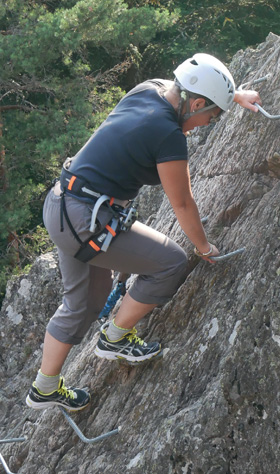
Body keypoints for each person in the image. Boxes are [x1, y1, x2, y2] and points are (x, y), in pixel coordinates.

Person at [26, 53, 261, 411]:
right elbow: (182, 203)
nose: (202, 125)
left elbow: (176, 100)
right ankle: (116, 337)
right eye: (208, 117)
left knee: (85, 301)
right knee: (171, 262)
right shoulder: (167, 134)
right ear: (195, 103)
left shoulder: (149, 89)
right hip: (85, 220)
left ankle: (43, 389)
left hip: (62, 205)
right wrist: (204, 247)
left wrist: (232, 97)